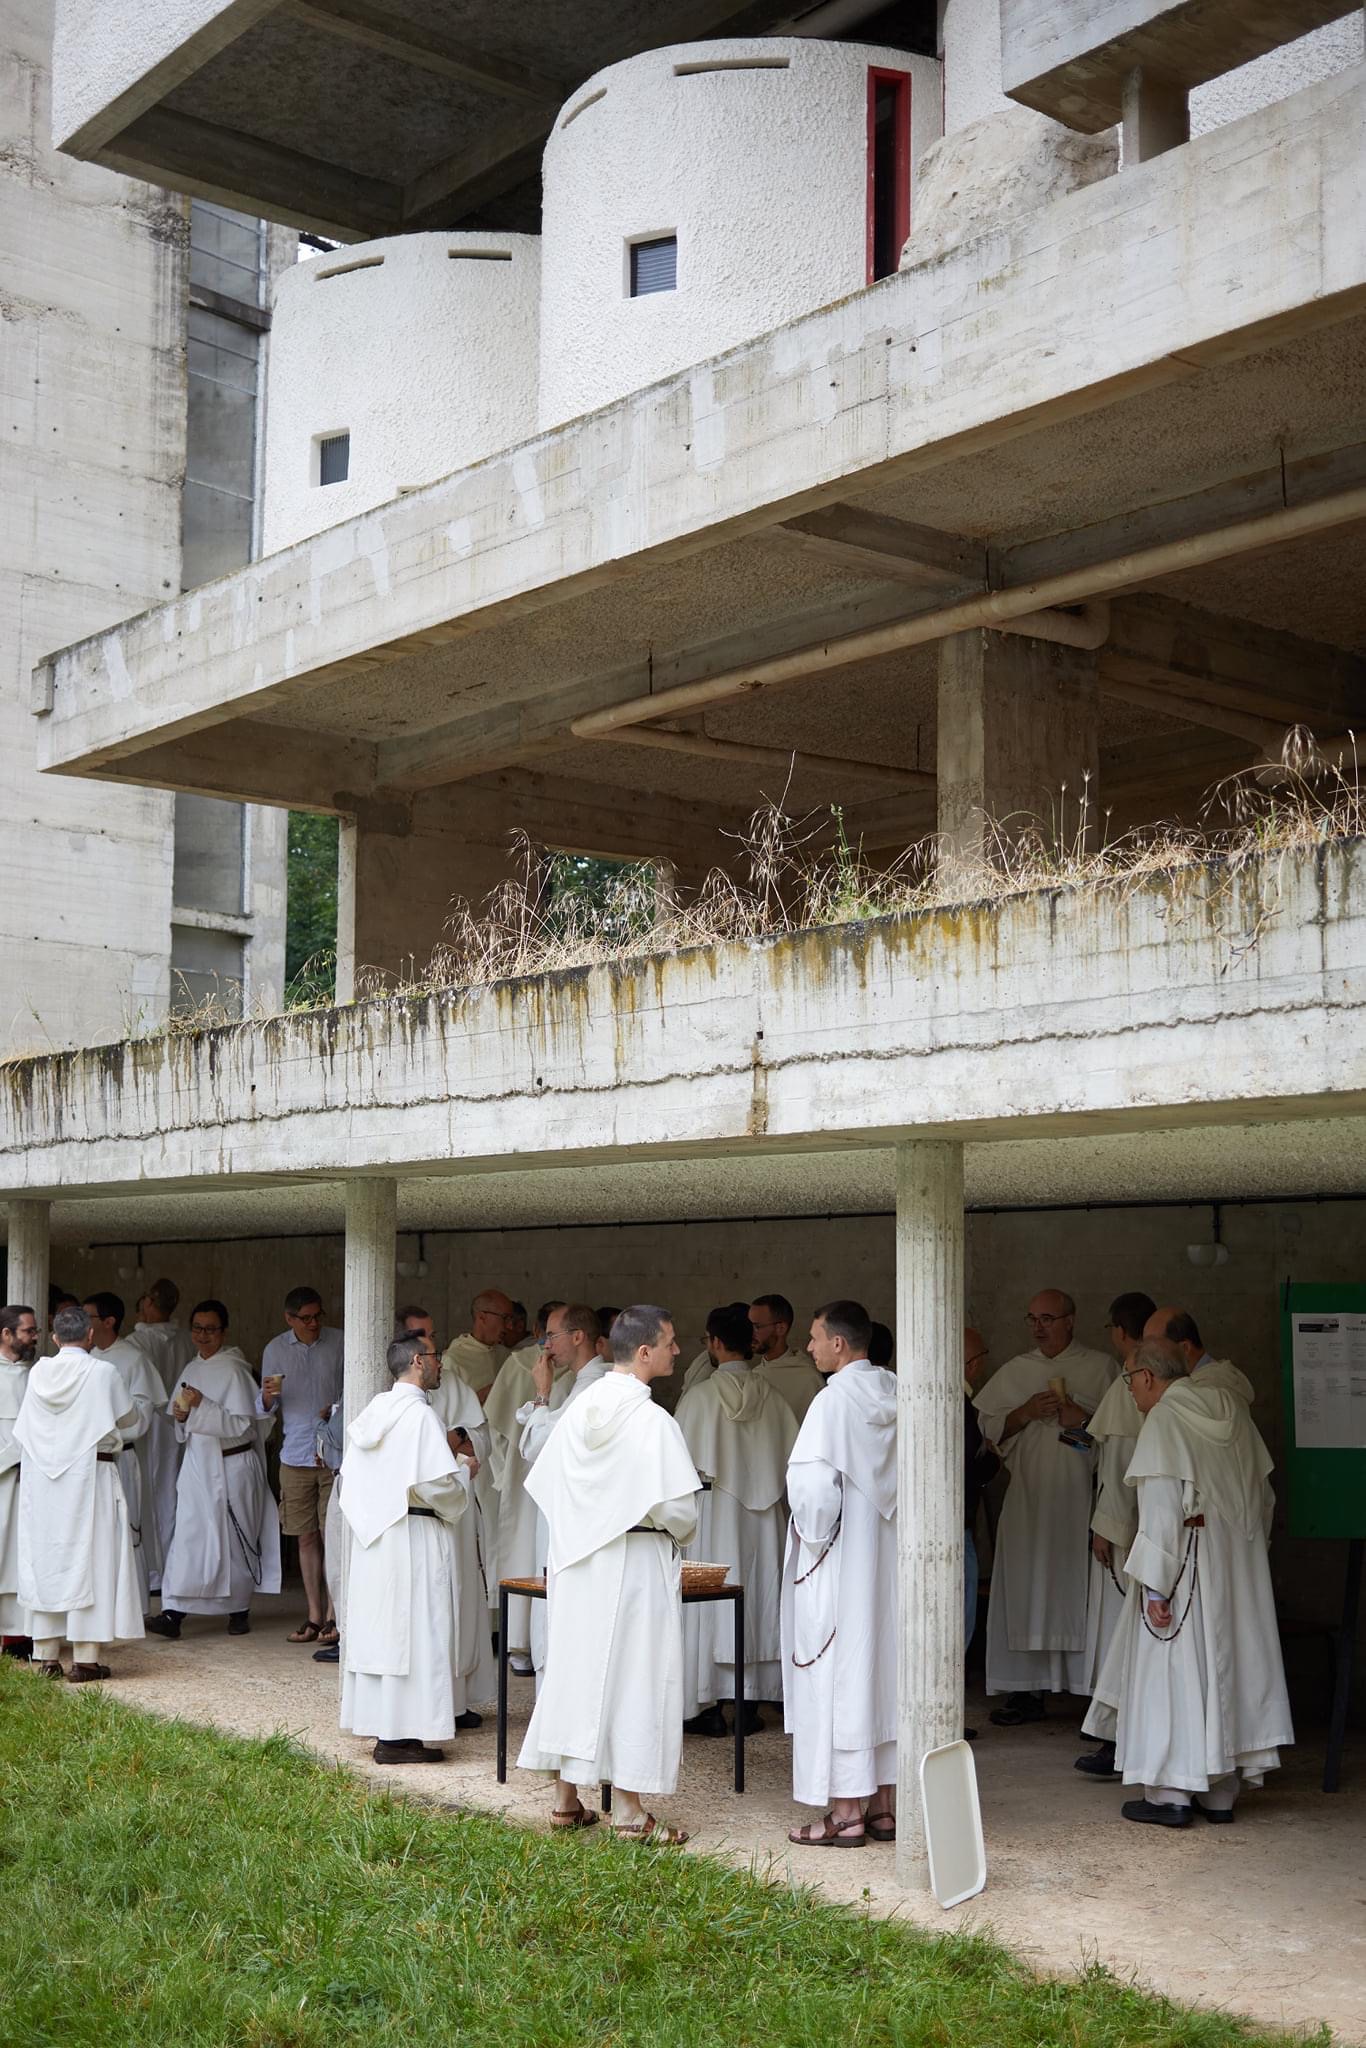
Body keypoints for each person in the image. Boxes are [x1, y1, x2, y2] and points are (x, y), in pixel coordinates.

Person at [1081, 1340, 1293, 1827]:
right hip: (1237, 1568)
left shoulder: (1164, 1420)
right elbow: (1265, 1496)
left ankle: (1170, 1794)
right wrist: (1245, 1559)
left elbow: (1159, 1511)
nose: (1129, 1391)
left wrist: (1156, 1588)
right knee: (1225, 1673)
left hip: (1187, 1567)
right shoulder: (1234, 1413)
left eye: (1129, 1379)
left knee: (1173, 1673)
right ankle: (1220, 1795)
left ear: (1150, 1378)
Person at [518, 1304, 701, 1841]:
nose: (677, 1350)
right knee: (633, 1676)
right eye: (670, 1342)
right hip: (636, 1560)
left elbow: (548, 1484)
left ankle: (565, 1801)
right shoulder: (652, 1421)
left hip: (577, 1562)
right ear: (644, 1352)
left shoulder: (577, 1411)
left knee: (577, 1671)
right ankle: (628, 1812)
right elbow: (680, 1512)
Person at [783, 1300, 897, 1846]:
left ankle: (847, 1811)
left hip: (844, 1559)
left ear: (839, 1344)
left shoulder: (831, 1403)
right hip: (892, 1563)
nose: (808, 1347)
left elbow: (811, 1490)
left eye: (813, 1337)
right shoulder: (900, 1393)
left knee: (841, 1672)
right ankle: (885, 1807)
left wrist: (813, 1538)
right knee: (885, 1670)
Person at [974, 1288, 1115, 1724]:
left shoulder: (1099, 1367)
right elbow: (982, 1428)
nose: (1038, 1326)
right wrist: (1025, 1412)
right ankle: (1026, 1691)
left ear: (1071, 1320)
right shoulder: (1019, 1369)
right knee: (1025, 1589)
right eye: (1032, 1318)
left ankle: (1085, 1688)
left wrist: (1081, 1418)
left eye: (1048, 1318)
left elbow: (1119, 1437)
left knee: (1075, 1590)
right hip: (1028, 1499)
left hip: (1079, 1499)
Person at [339, 1334, 480, 1764]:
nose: (441, 1366)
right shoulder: (418, 1418)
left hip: (378, 1542)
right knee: (417, 1632)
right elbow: (437, 1485)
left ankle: (390, 1730)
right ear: (419, 1362)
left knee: (388, 1635)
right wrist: (463, 1471)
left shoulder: (374, 1412)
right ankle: (400, 1737)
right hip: (414, 1537)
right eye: (436, 1358)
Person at [676, 1301, 797, 1736]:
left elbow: (677, 1465)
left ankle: (707, 1704)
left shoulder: (700, 1397)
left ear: (713, 1342)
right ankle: (749, 1703)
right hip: (763, 1519)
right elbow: (791, 1460)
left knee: (711, 1603)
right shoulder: (774, 1397)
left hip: (714, 1515)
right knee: (759, 1598)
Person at [13, 1303, 144, 1681]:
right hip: (92, 1474)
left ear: (54, 1338)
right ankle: (85, 1659)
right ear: (90, 1336)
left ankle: (46, 1655)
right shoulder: (103, 1372)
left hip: (44, 1480)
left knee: (46, 1560)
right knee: (93, 1561)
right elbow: (129, 1418)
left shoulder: (38, 1372)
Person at [147, 1301, 281, 1639]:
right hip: (197, 1465)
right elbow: (183, 1424)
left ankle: (239, 1610)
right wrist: (183, 1417)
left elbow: (243, 1426)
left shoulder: (235, 1370)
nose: (203, 1336)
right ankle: (173, 1613)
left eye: (210, 1329)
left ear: (223, 1331)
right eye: (197, 1328)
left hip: (232, 1464)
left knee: (234, 1539)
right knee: (189, 1536)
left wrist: (201, 1406)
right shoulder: (190, 1368)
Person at [1075, 1291, 1155, 1778]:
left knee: (1117, 1634)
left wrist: (1105, 1528)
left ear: (1120, 1333)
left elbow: (1120, 1466)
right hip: (1148, 1526)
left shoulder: (1133, 1384)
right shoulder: (1159, 1382)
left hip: (1128, 1532)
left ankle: (1116, 1736)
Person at [517, 1303, 610, 1684]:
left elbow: (538, 1446)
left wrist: (541, 1393)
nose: (546, 1345)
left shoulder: (593, 1387)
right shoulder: (581, 1384)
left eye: (551, 1336)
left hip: (575, 1519)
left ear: (577, 1337)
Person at [483, 1300, 569, 1675]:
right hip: (526, 1471)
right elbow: (499, 1426)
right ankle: (519, 1642)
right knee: (526, 1548)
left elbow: (498, 1424)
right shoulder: (522, 1364)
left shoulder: (581, 1377)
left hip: (538, 1473)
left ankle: (532, 1643)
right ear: (538, 1332)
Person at [257, 1285, 344, 1646]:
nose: (313, 1323)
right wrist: (265, 1397)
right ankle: (312, 1613)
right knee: (305, 1536)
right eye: (305, 1318)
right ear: (289, 1319)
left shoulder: (339, 1341)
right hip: (294, 1452)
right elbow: (266, 1407)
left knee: (333, 1535)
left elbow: (353, 1389)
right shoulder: (275, 1349)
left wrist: (336, 1409)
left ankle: (334, 1615)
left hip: (333, 1453)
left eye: (317, 1316)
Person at [85, 1291, 169, 1611]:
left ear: (108, 1321)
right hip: (87, 1461)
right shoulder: (86, 1358)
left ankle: (133, 1609)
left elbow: (143, 1416)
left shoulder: (133, 1359)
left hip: (120, 1457)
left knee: (127, 1529)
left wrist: (102, 1432)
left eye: (88, 1317)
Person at [130, 1277, 196, 1574]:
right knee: (176, 1491)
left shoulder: (135, 1342)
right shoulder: (186, 1339)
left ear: (147, 1302)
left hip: (148, 1425)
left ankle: (153, 1569)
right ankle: (174, 1564)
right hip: (179, 1423)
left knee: (149, 1492)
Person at [0, 1303, 39, 1657]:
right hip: (1, 1479)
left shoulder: (39, 1376)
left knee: (21, 1558)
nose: (35, 1337)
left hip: (31, 1483)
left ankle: (17, 1637)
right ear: (6, 1334)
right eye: (28, 1330)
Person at [962, 1327, 1000, 1665]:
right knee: (959, 1623)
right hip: (956, 1528)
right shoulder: (959, 1406)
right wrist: (991, 1457)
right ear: (973, 1365)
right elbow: (968, 1468)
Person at [1144, 1307, 1255, 1402]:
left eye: (1154, 1351)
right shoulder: (1193, 1385)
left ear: (1184, 1348)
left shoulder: (1209, 1389)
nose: (1147, 1359)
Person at [751, 1294, 824, 1422]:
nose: (750, 1333)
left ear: (781, 1328)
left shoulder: (809, 1379)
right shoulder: (754, 1375)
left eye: (757, 1327)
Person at [441, 1291, 515, 1402]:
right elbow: (445, 1408)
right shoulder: (453, 1360)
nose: (510, 1326)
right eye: (505, 1318)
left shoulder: (506, 1355)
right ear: (482, 1317)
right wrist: (478, 1397)